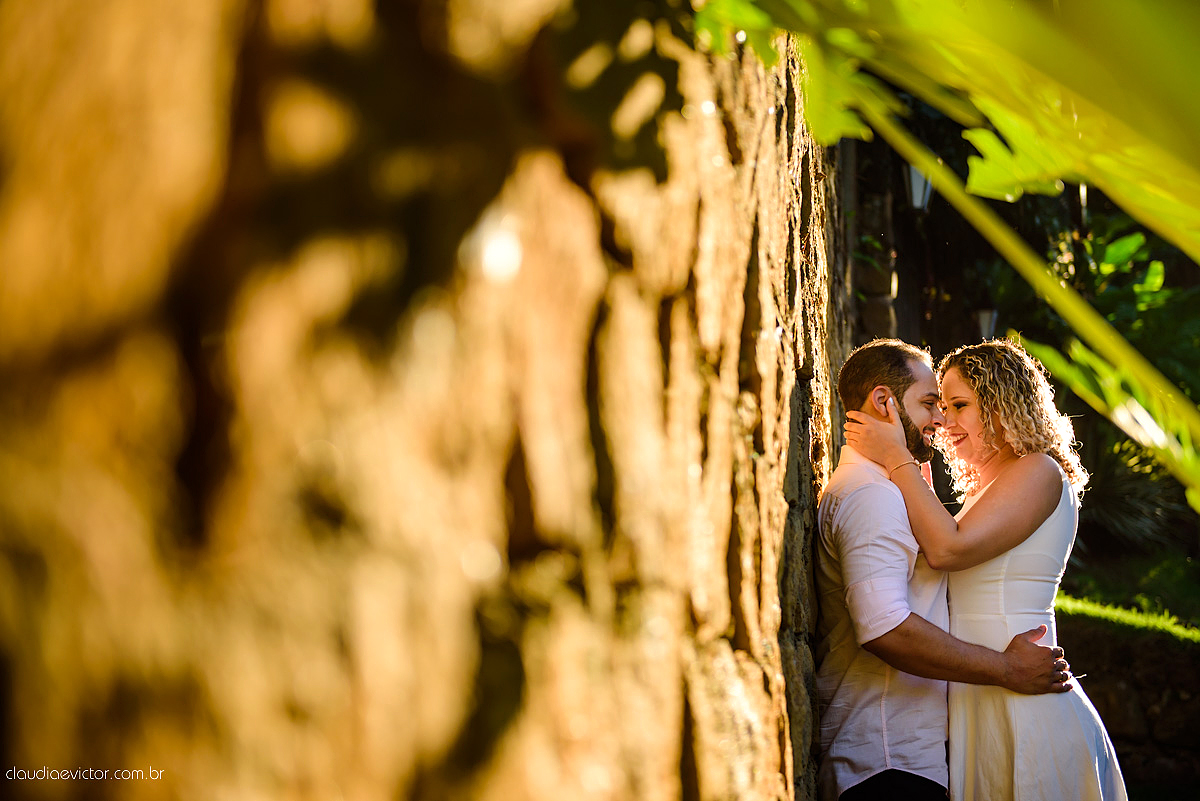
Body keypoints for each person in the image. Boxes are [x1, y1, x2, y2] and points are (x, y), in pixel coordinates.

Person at [844, 338, 1127, 801]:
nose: (944, 421)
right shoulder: (991, 487)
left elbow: (947, 551)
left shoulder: (1038, 470)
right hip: (984, 693)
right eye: (938, 405)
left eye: (959, 405)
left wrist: (897, 458)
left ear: (1001, 406)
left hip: (1024, 703)